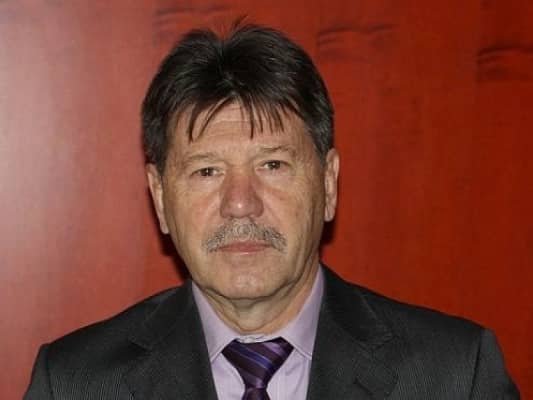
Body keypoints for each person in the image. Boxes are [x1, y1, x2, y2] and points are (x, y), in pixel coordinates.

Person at [25, 22, 519, 400]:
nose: (241, 203)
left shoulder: (456, 375)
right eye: (206, 171)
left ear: (327, 184)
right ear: (160, 198)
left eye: (273, 164)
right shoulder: (73, 382)